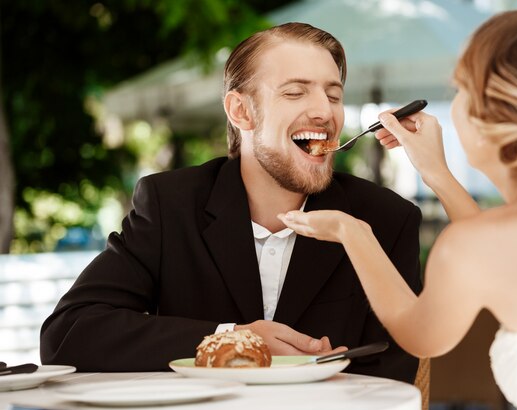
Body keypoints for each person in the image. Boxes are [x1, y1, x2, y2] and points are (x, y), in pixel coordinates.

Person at [279, 10, 517, 410]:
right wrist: (435, 172)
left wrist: (352, 232)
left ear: (486, 119)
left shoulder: (474, 244)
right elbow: (495, 253)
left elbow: (419, 334)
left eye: (460, 89)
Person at [40, 22, 423, 383]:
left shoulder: (386, 219)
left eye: (334, 95)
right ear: (241, 111)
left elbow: (394, 367)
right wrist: (231, 339)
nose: (325, 111)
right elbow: (68, 334)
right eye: (295, 91)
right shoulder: (169, 205)